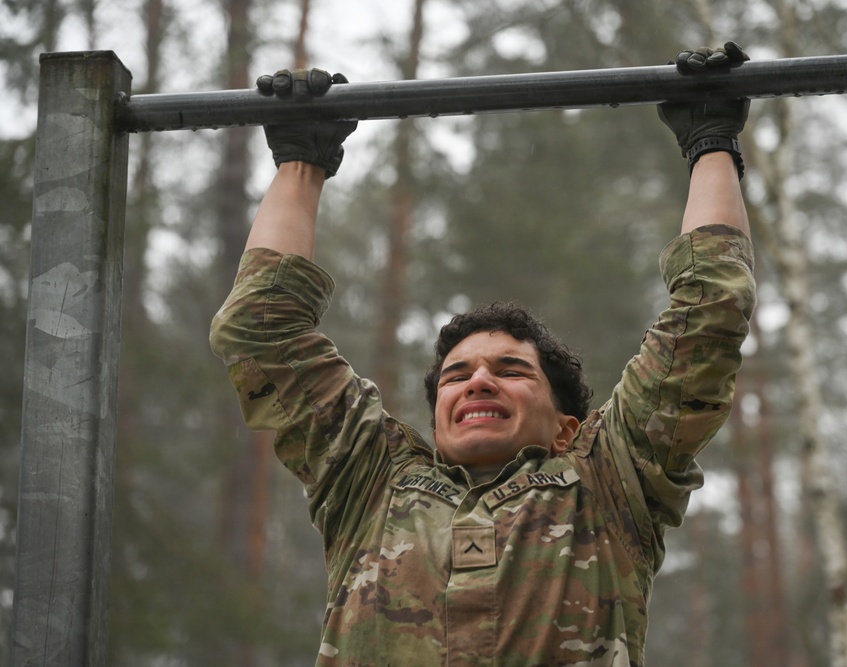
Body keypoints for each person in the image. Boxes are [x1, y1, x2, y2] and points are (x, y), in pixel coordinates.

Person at [210, 42, 757, 667]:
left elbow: (708, 314)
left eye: (511, 369)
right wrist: (300, 161)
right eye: (456, 375)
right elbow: (261, 328)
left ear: (566, 428)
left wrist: (712, 138)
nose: (477, 382)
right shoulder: (372, 485)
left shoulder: (606, 483)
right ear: (436, 419)